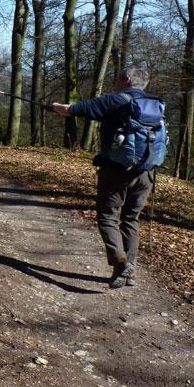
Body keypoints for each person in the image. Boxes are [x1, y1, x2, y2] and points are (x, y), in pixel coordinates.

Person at [52, 67, 156, 289]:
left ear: (126, 79)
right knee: (131, 219)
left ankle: (120, 263)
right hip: (147, 173)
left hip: (117, 171)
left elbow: (77, 109)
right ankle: (130, 272)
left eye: (116, 78)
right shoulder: (154, 104)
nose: (113, 82)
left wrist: (59, 108)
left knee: (108, 216)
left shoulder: (116, 100)